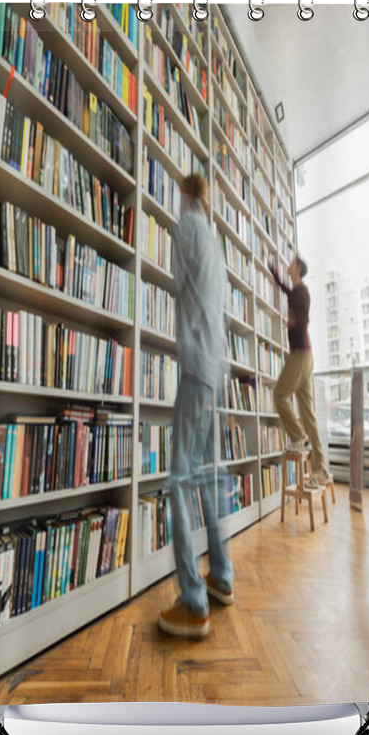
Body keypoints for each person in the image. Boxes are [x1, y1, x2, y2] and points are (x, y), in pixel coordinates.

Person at [158, 174, 235, 640]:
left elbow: (175, 284)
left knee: (178, 480)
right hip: (216, 368)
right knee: (207, 475)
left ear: (184, 194)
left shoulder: (184, 227)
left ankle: (193, 601)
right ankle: (221, 577)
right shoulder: (215, 242)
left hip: (194, 366)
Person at [268, 255, 332, 488]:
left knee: (279, 395)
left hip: (300, 355)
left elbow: (305, 317)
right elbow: (285, 289)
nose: (290, 264)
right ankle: (320, 470)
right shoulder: (295, 290)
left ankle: (298, 438)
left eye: (292, 262)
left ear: (297, 269)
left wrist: (294, 322)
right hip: (306, 356)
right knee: (308, 414)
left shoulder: (302, 292)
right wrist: (273, 269)